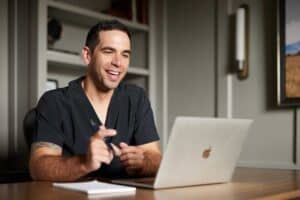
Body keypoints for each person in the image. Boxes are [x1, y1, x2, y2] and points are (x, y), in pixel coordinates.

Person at [29, 20, 161, 181]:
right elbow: (38, 167)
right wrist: (83, 163)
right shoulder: (54, 102)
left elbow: (155, 157)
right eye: (108, 51)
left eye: (125, 54)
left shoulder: (136, 98)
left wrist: (143, 162)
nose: (118, 62)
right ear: (87, 55)